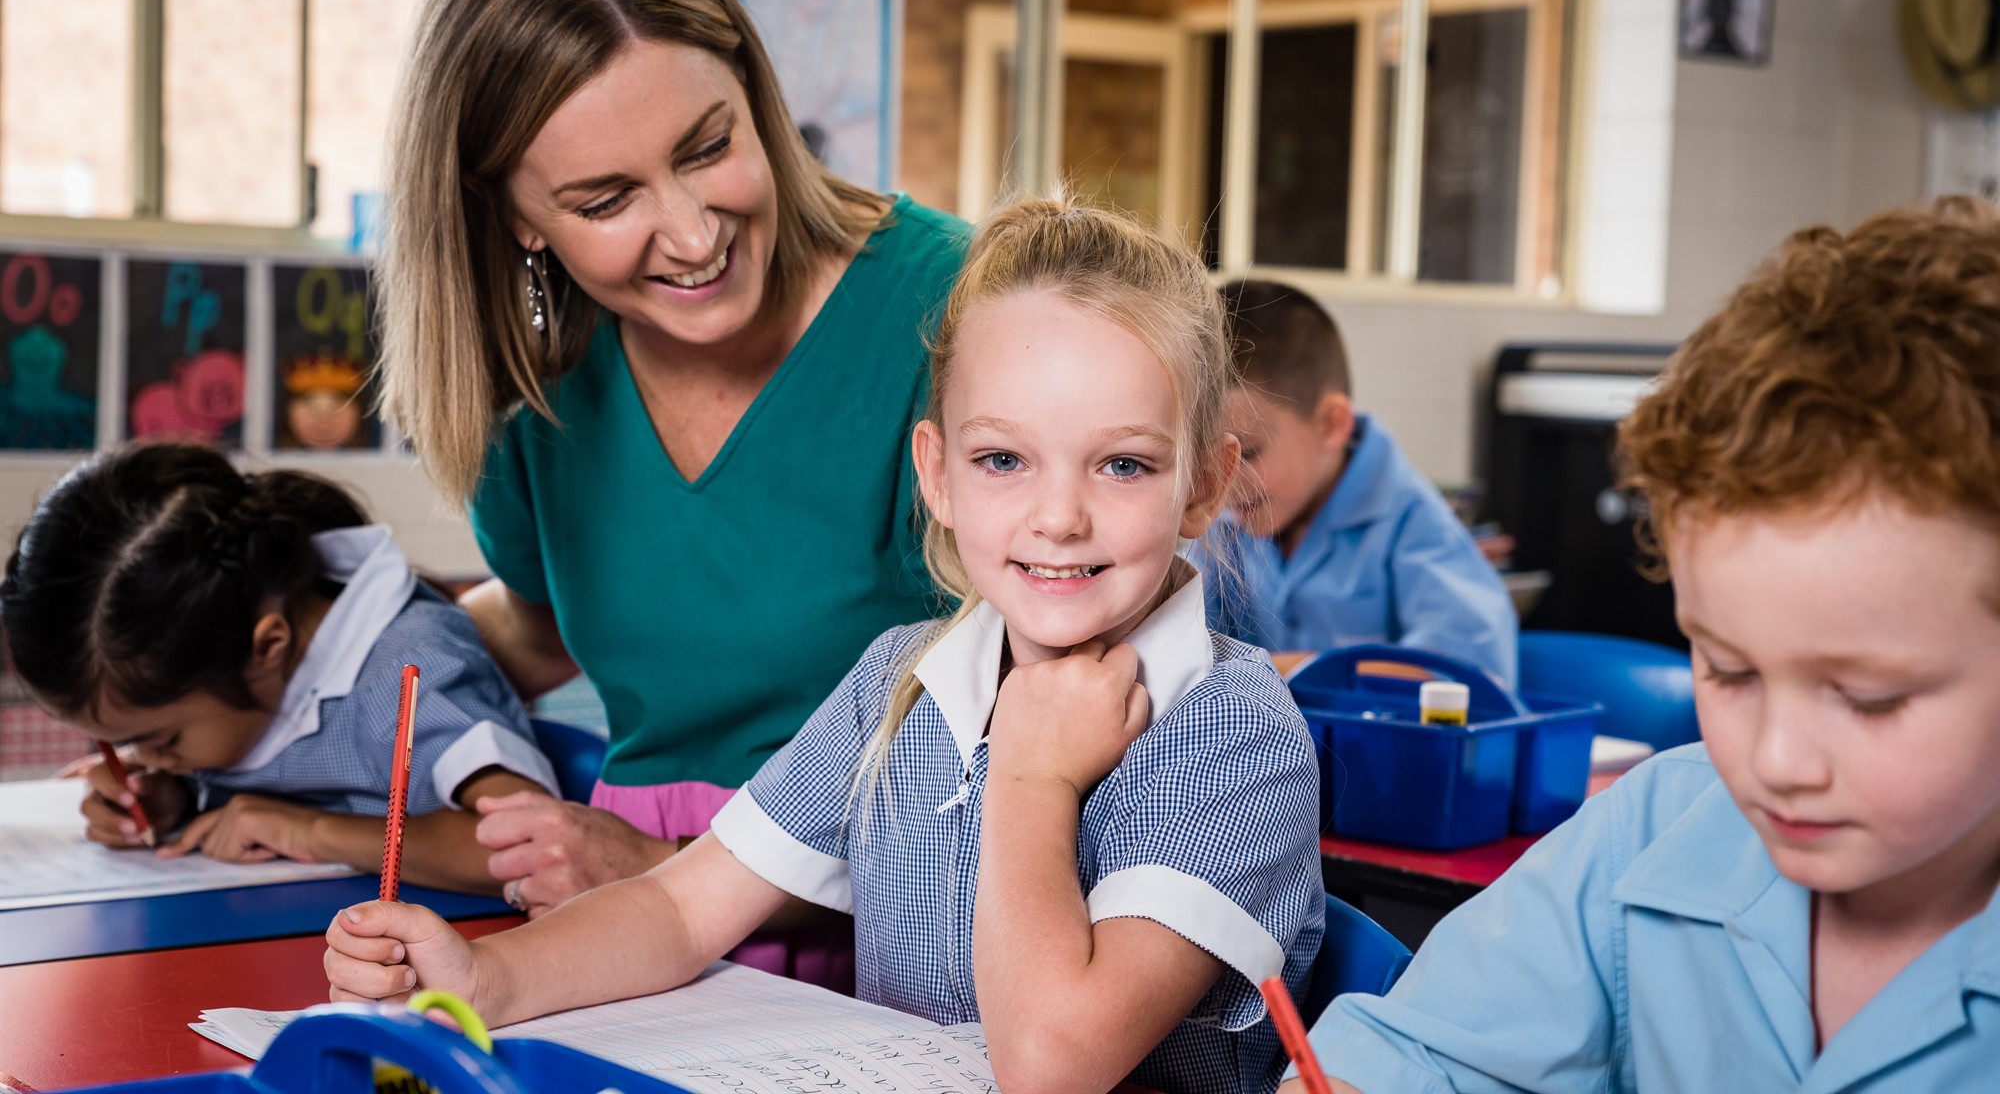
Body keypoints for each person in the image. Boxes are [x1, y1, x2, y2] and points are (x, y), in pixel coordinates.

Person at [328, 199, 1327, 1094]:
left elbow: (1050, 1065)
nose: (1056, 516)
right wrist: (485, 976)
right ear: (935, 474)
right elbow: (680, 910)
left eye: (1120, 463)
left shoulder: (1232, 732)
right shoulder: (899, 680)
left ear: (1202, 483)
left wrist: (1030, 777)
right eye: (1001, 459)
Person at [1278, 198, 2000, 1092]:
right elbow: (1412, 1055)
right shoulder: (1655, 828)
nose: (1775, 762)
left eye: (1869, 696)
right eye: (1728, 670)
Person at [373, 0, 968, 921]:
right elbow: (531, 630)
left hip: (898, 957)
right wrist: (248, 730)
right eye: (606, 202)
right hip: (638, 943)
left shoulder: (955, 313)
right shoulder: (537, 387)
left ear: (754, 93)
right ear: (517, 218)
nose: (692, 235)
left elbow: (1036, 780)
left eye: (705, 148)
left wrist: (661, 867)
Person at [0, 442, 557, 894]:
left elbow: (532, 848)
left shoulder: (404, 672)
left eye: (163, 740)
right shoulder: (233, 679)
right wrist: (171, 799)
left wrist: (310, 831)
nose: (144, 760)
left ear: (267, 646)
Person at [1208, 279, 1516, 686]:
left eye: (1247, 453)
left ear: (1331, 424)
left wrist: (1262, 673)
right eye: (1204, 458)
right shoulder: (1220, 521)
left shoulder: (1412, 523)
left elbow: (1473, 679)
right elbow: (1179, 646)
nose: (1223, 485)